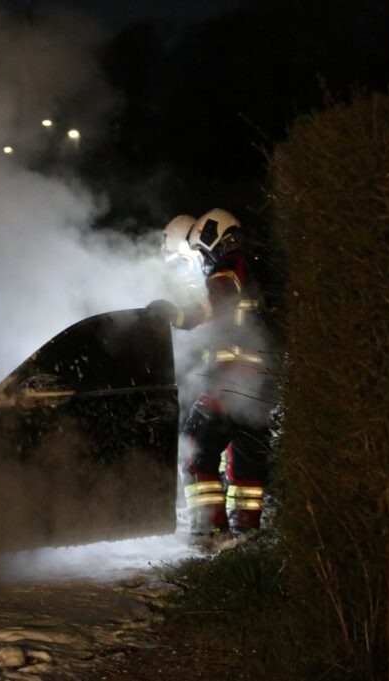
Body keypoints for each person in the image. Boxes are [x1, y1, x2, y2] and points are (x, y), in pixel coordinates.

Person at [148, 208, 278, 539]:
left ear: (212, 238)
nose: (206, 261)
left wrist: (177, 315)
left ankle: (210, 532)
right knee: (246, 465)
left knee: (194, 450)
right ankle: (246, 535)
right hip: (262, 386)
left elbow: (216, 299)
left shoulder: (232, 262)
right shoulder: (262, 266)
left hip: (232, 382)